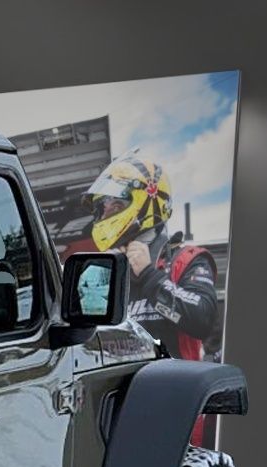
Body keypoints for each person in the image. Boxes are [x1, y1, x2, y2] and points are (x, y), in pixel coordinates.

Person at [81, 151, 222, 363]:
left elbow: (203, 321)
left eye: (114, 206)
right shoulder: (106, 273)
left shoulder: (186, 260)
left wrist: (149, 276)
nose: (104, 217)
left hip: (176, 387)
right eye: (101, 210)